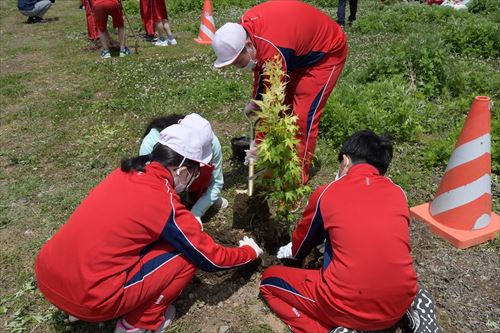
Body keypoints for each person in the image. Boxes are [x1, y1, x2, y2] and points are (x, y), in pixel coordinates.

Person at [35, 120, 263, 332]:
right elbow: (209, 258)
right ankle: (138, 324)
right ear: (183, 171)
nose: (195, 178)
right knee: (186, 256)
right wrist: (249, 252)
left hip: (48, 275)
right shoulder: (162, 199)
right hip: (92, 299)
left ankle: (74, 305)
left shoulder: (125, 173)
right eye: (196, 172)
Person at [259, 130, 440, 332]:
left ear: (345, 161)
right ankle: (414, 315)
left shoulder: (326, 193)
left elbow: (300, 248)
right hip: (400, 300)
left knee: (269, 281)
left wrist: (291, 252)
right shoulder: (399, 194)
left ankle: (333, 329)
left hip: (347, 306)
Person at [211, 0, 347, 184]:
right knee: (284, 112)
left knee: (302, 119)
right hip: (294, 51)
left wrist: (258, 144)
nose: (237, 67)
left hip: (325, 53)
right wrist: (255, 100)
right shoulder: (244, 30)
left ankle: (295, 180)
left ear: (248, 45)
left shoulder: (272, 48)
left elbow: (272, 102)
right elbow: (262, 69)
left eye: (237, 62)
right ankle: (278, 161)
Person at [140, 113, 228, 221]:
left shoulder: (210, 142)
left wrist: (196, 213)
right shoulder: (151, 143)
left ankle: (204, 197)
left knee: (205, 172)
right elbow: (151, 189)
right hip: (162, 188)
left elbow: (217, 182)